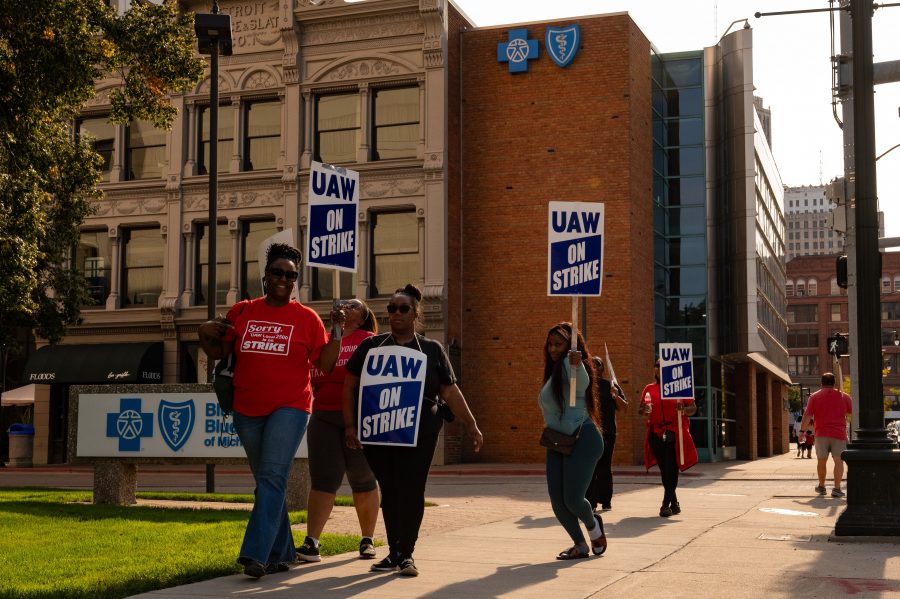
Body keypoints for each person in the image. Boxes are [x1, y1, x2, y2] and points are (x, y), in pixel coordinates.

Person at [198, 243, 341, 579]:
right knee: (266, 482)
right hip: (247, 407)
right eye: (278, 272)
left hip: (291, 407)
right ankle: (283, 554)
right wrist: (202, 332)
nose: (284, 279)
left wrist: (335, 330)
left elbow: (326, 363)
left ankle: (256, 555)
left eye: (291, 275)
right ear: (265, 276)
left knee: (273, 477)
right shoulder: (243, 311)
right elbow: (219, 352)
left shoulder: (306, 318)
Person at [343, 284, 484, 577]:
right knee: (391, 491)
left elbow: (449, 390)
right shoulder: (372, 347)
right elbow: (349, 384)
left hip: (420, 432)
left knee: (411, 488)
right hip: (379, 430)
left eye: (403, 308)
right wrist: (350, 425)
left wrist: (471, 424)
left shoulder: (431, 349)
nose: (396, 313)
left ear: (415, 313)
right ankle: (394, 552)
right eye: (391, 308)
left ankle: (406, 552)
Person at [298, 299, 380, 563]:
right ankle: (312, 543)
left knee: (363, 479)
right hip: (323, 416)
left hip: (359, 419)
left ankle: (367, 539)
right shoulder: (324, 338)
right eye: (343, 302)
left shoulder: (369, 340)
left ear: (364, 316)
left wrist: (357, 423)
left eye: (354, 305)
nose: (347, 306)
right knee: (323, 480)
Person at [540, 323, 607, 560]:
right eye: (550, 344)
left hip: (583, 437)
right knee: (557, 502)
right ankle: (579, 544)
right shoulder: (554, 372)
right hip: (557, 441)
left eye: (559, 344)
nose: (553, 349)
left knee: (573, 499)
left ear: (571, 346)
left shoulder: (571, 365)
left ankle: (592, 526)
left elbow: (582, 385)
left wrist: (577, 365)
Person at [638, 359, 698, 517]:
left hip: (674, 432)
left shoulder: (680, 388)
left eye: (662, 366)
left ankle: (665, 505)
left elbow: (693, 407)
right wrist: (645, 409)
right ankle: (675, 503)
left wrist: (684, 410)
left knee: (671, 468)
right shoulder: (649, 388)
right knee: (665, 470)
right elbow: (641, 410)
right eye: (656, 365)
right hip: (655, 433)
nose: (658, 368)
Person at [800, 372, 852, 498]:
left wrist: (802, 432)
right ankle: (837, 488)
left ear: (821, 383)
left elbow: (808, 415)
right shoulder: (844, 396)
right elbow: (851, 413)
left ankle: (822, 486)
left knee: (821, 461)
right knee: (838, 461)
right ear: (834, 382)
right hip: (839, 434)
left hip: (821, 434)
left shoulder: (814, 397)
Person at [586, 356, 627, 511]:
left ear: (603, 368)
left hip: (608, 432)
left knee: (604, 467)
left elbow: (625, 408)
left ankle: (606, 500)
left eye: (598, 365)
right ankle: (591, 502)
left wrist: (615, 396)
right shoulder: (585, 387)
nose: (595, 367)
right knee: (591, 467)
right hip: (590, 432)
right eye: (593, 365)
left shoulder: (611, 385)